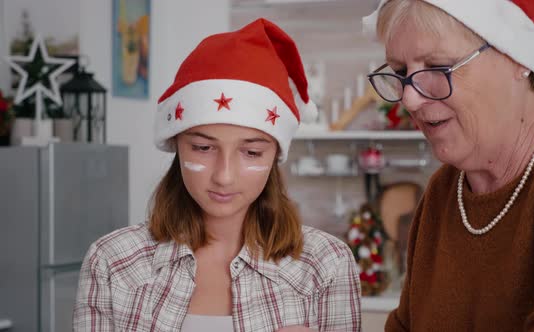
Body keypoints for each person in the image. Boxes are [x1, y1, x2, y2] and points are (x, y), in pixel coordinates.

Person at [73, 18, 361, 332]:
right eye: (202, 148)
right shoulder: (112, 262)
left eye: (251, 152)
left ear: (275, 155)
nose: (224, 176)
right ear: (177, 145)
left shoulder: (326, 265)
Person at [362, 0, 534, 331]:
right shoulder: (444, 191)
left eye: (438, 67)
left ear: (516, 57)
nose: (410, 99)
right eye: (400, 73)